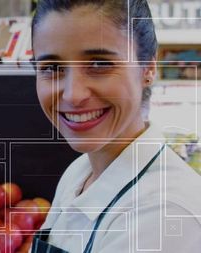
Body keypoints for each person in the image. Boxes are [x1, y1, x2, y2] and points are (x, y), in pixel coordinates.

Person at [30, 0, 201, 252]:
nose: (72, 95)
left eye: (99, 64)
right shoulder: (79, 173)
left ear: (148, 69)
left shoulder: (165, 213)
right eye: (52, 68)